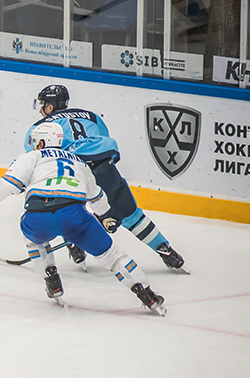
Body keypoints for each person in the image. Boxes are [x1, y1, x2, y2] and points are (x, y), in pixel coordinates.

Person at [0, 122, 166, 315]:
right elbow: (97, 197)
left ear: (41, 143)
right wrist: (106, 215)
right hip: (75, 217)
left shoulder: (32, 157)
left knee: (33, 238)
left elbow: (8, 186)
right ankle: (146, 294)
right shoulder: (79, 162)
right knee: (113, 256)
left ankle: (51, 279)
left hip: (38, 217)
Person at [24, 84, 185, 271]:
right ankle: (165, 250)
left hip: (73, 171)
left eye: (43, 104)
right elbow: (102, 139)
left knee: (63, 207)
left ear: (50, 107)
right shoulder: (91, 116)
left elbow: (39, 158)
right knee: (131, 215)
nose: (41, 109)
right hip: (102, 166)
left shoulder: (41, 127)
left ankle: (75, 246)